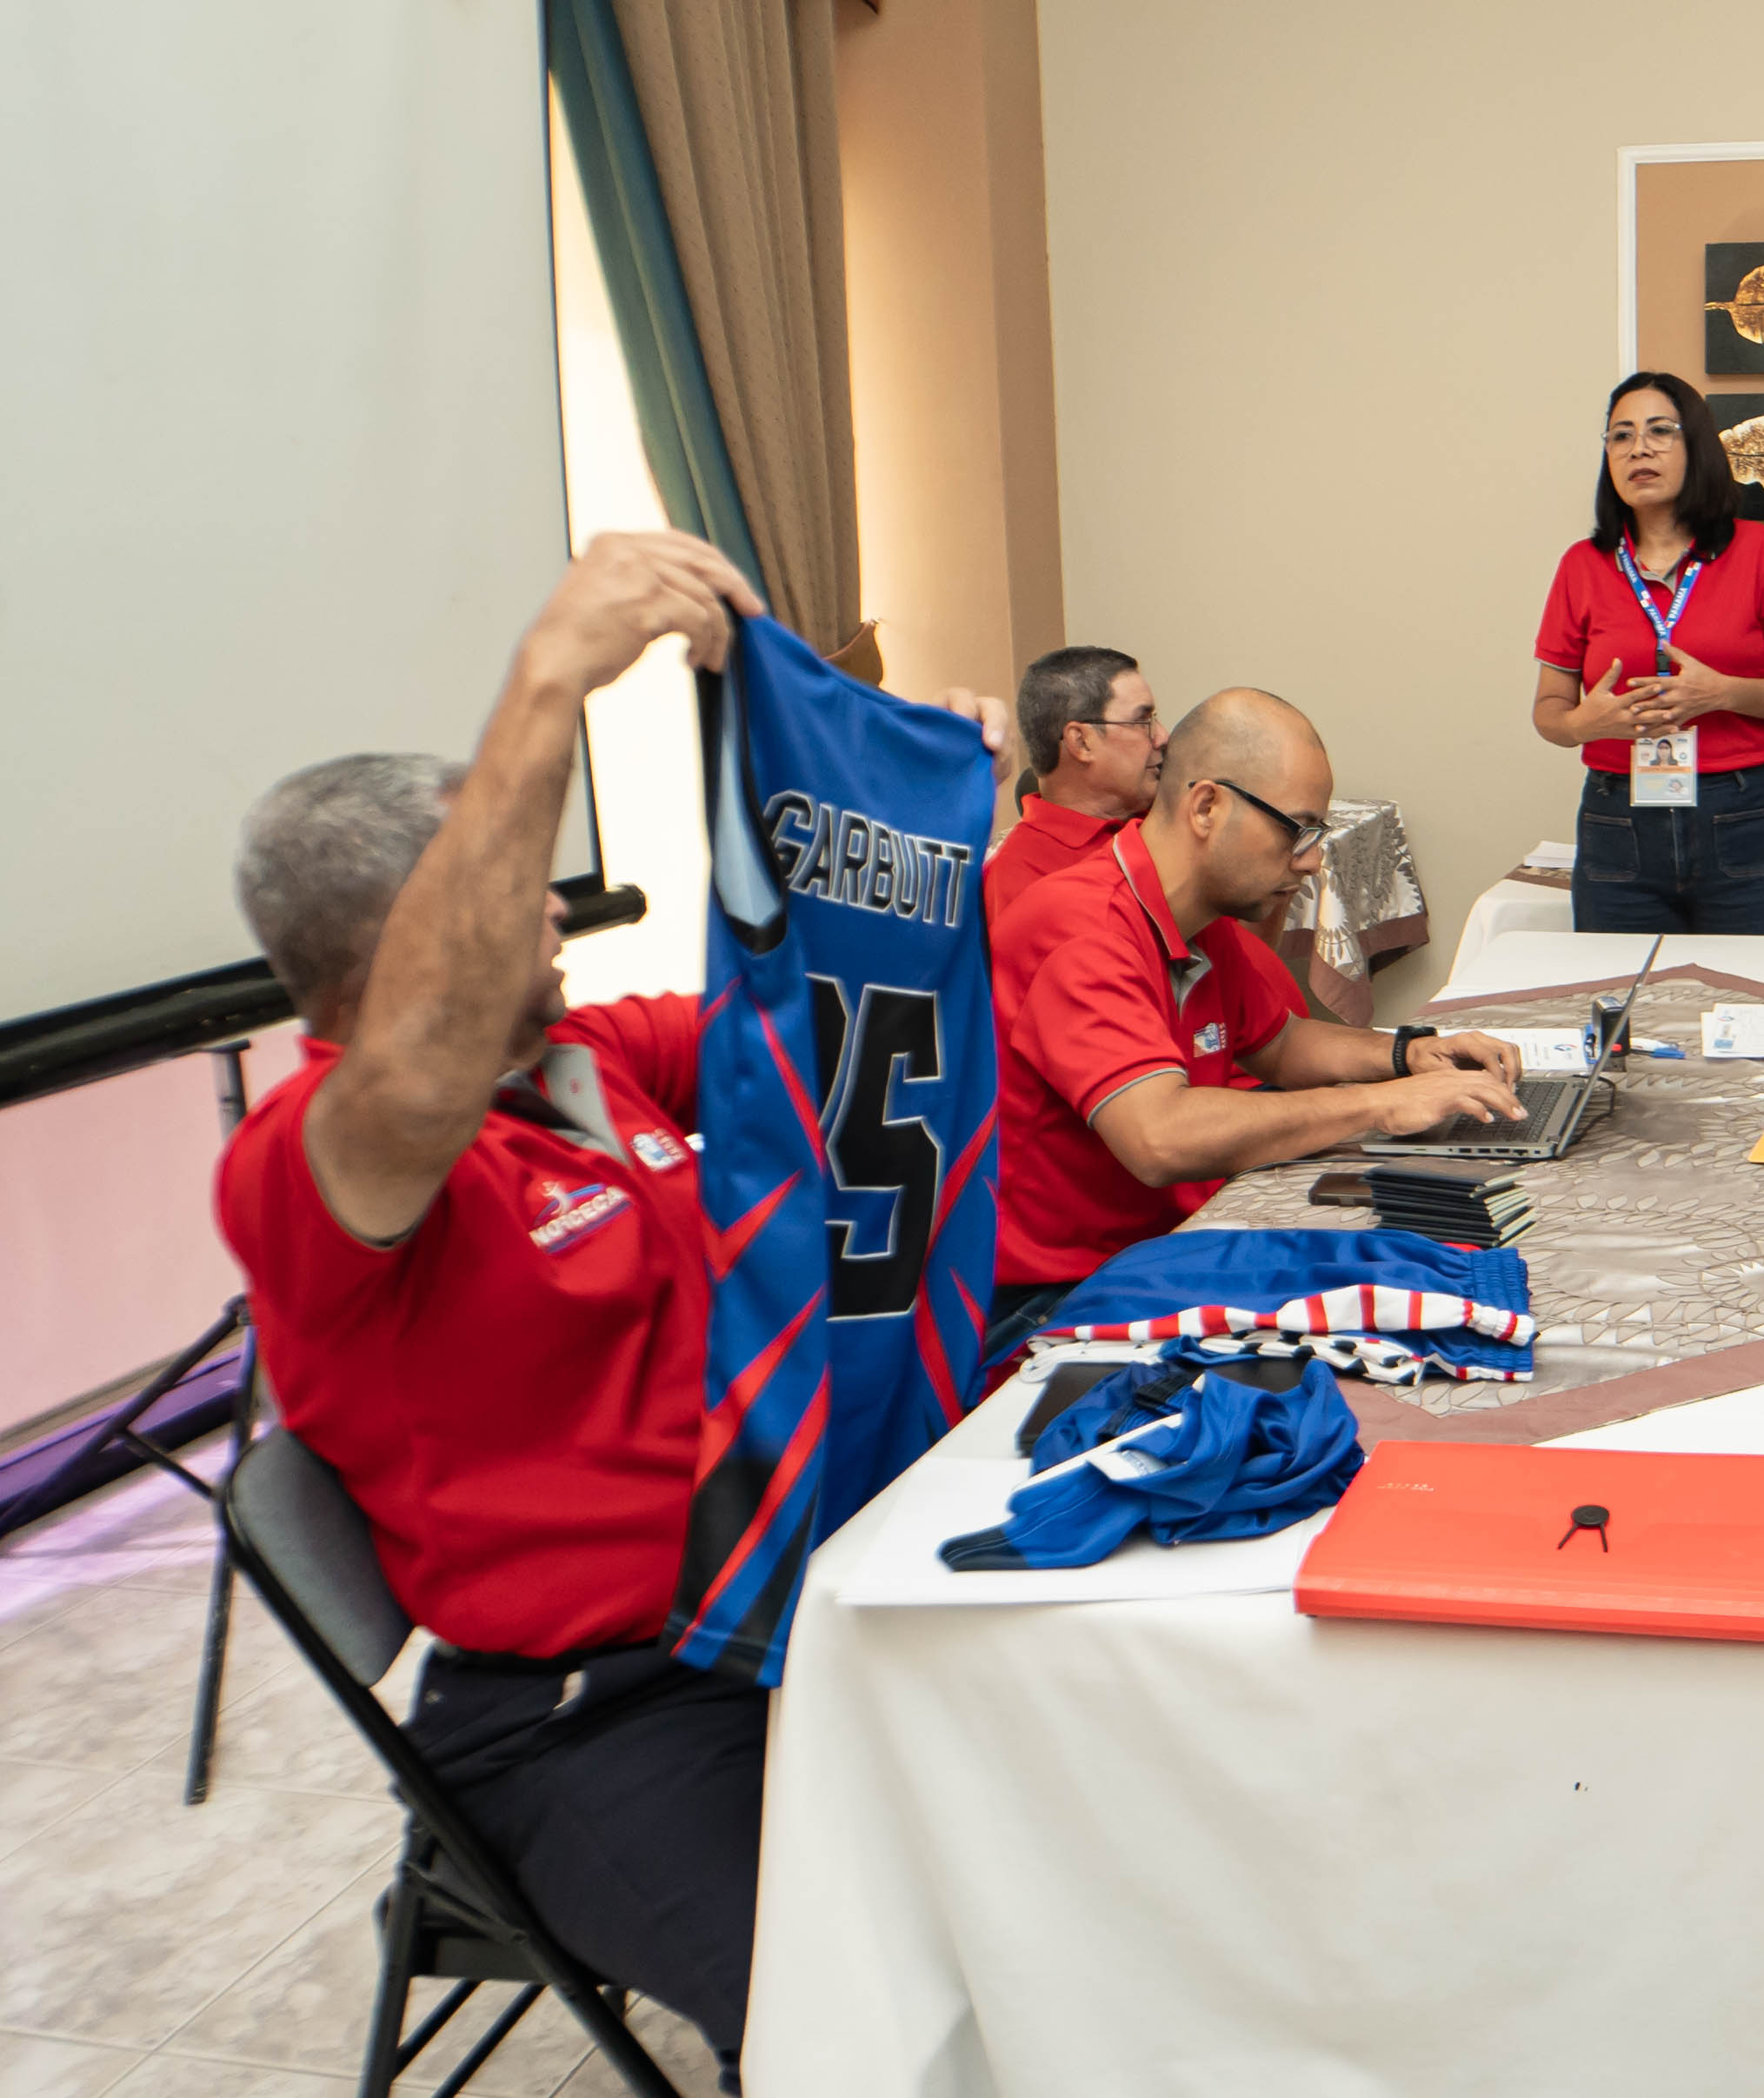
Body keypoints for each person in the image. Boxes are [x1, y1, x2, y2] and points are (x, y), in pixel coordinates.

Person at [212, 532, 1011, 2083]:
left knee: (1065, 1869)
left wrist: (909, 816)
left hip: (771, 1606)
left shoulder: (579, 1066)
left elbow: (830, 998)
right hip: (590, 1718)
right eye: (521, 887)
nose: (558, 919)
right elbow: (418, 1072)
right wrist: (548, 685)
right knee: (865, 2043)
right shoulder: (311, 1169)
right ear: (402, 941)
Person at [989, 688, 1528, 1339]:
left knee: (1436, 1270)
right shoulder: (1082, 927)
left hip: (1160, 1247)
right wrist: (1381, 1105)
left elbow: (1281, 1043)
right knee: (1418, 1303)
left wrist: (1408, 1054)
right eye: (1297, 830)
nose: (1312, 860)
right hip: (1055, 1296)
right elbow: (1160, 1138)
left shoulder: (1191, 912)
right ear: (1206, 806)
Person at [1531, 370, 1764, 935]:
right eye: (1621, 435)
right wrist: (1583, 724)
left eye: (1660, 431)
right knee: (1622, 989)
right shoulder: (1581, 565)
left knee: (1757, 984)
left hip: (1740, 809)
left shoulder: (1755, 549)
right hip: (1617, 815)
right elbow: (1549, 709)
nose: (1638, 448)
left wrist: (1721, 693)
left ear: (1697, 446)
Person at [986, 643, 1164, 922]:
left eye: (1154, 719)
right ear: (1081, 742)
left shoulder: (1170, 820)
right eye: (1142, 722)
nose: (1162, 737)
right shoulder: (1021, 878)